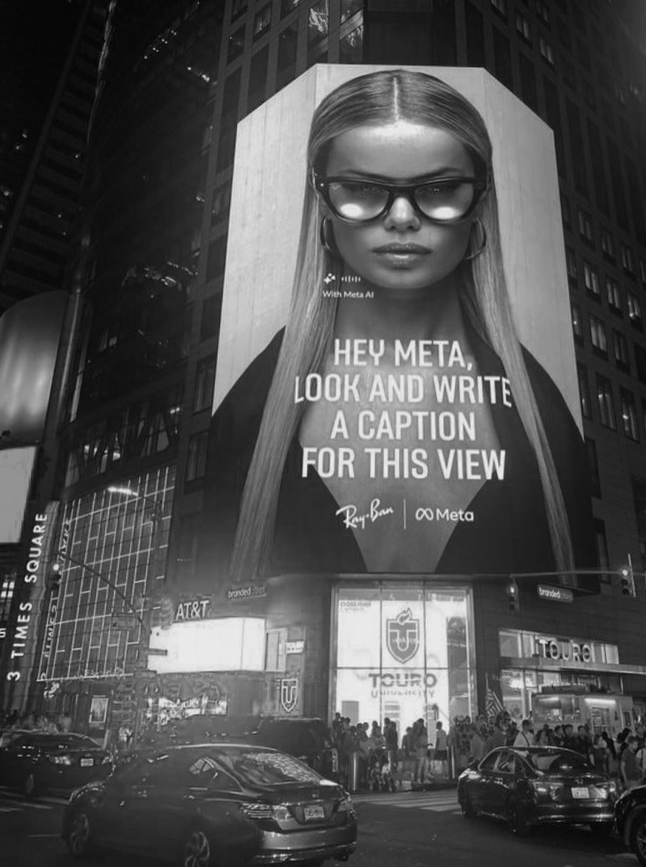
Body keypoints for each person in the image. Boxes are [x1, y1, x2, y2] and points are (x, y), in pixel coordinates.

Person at [203, 69, 594, 583]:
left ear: (480, 200)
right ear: (322, 200)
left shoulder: (548, 423)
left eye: (439, 188)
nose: (404, 216)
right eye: (363, 188)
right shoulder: (246, 414)